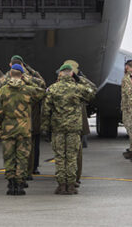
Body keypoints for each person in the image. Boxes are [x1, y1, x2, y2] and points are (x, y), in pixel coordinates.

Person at [41, 63, 96, 195]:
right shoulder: (78, 88)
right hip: (74, 128)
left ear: (60, 74)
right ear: (72, 74)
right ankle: (71, 185)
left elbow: (46, 111)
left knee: (60, 157)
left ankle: (61, 185)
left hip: (58, 128)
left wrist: (45, 128)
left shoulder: (53, 89)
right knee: (71, 157)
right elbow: (92, 90)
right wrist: (80, 78)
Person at [0, 63, 44, 195]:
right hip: (24, 129)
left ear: (10, 74)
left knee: (9, 157)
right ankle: (20, 184)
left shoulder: (3, 91)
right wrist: (27, 79)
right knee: (22, 157)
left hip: (8, 129)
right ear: (21, 75)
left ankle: (11, 184)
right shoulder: (27, 90)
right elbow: (42, 91)